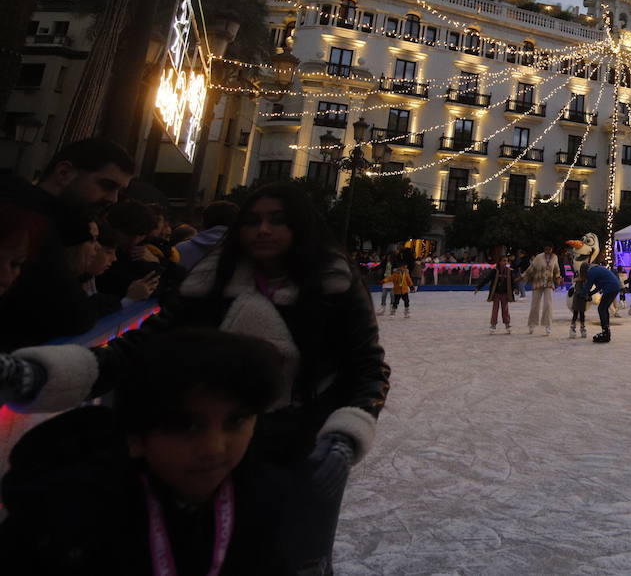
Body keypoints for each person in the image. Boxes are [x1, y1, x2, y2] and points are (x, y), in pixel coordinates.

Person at [2, 182, 390, 573]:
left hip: (307, 444)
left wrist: (343, 436)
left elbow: (367, 366)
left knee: (299, 554)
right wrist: (43, 374)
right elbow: (141, 349)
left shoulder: (335, 284)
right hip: (214, 442)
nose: (263, 230)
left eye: (279, 221)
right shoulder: (210, 283)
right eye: (252, 221)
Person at [0, 328, 294, 573]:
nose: (214, 448)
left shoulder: (264, 500)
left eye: (236, 420)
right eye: (185, 425)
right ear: (136, 436)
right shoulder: (64, 525)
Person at [0, 138, 134, 351]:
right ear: (63, 173)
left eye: (119, 191)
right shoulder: (31, 222)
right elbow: (70, 313)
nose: (113, 199)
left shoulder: (57, 223)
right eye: (107, 186)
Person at [473, 257, 517, 334]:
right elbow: (487, 279)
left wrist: (516, 289)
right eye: (504, 261)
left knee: (505, 310)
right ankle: (493, 325)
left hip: (505, 293)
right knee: (495, 309)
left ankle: (507, 324)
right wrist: (479, 287)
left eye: (506, 261)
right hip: (496, 293)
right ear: (499, 262)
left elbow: (513, 281)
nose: (505, 262)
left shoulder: (509, 271)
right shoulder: (495, 271)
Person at [526, 244, 560, 335]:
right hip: (538, 283)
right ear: (544, 248)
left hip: (549, 284)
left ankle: (547, 325)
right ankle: (532, 324)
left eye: (550, 248)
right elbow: (531, 268)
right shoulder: (538, 257)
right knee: (535, 305)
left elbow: (556, 269)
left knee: (548, 305)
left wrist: (558, 277)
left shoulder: (554, 257)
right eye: (546, 248)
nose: (548, 250)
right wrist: (523, 276)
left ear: (552, 249)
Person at [585, 257, 622, 343]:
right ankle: (606, 332)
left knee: (601, 308)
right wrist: (591, 293)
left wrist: (584, 294)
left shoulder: (591, 272)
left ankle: (605, 332)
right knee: (604, 308)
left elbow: (588, 285)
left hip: (611, 288)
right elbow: (599, 286)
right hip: (615, 287)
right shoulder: (598, 270)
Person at [569, 264, 590, 338]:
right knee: (575, 314)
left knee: (582, 315)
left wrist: (587, 296)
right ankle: (573, 328)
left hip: (583, 299)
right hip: (578, 299)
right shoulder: (579, 280)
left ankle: (582, 327)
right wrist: (585, 295)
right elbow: (578, 290)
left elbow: (587, 289)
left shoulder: (586, 280)